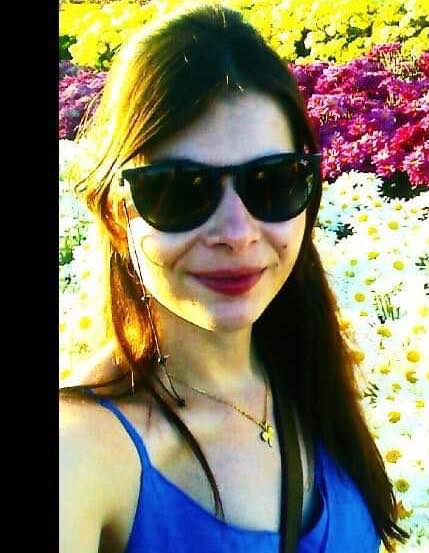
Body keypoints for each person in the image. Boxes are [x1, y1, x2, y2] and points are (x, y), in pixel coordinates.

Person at [60, 4, 409, 553]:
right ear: (116, 214)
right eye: (180, 190)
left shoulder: (309, 378)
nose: (237, 233)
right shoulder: (84, 451)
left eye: (273, 182)